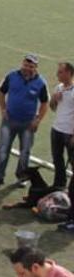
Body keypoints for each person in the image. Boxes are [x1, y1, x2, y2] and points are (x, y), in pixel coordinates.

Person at [0, 54, 49, 189]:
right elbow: (1, 92)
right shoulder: (11, 76)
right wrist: (3, 109)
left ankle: (21, 177)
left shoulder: (41, 83)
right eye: (25, 65)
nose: (27, 68)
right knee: (3, 149)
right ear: (22, 64)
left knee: (25, 151)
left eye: (31, 66)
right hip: (9, 120)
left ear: (36, 67)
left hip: (28, 123)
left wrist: (38, 119)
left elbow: (45, 103)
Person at [49, 62, 74, 190]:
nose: (57, 74)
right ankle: (59, 184)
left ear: (69, 73)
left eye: (60, 72)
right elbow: (53, 107)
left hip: (69, 132)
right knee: (57, 160)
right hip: (56, 129)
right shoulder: (58, 87)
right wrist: (54, 99)